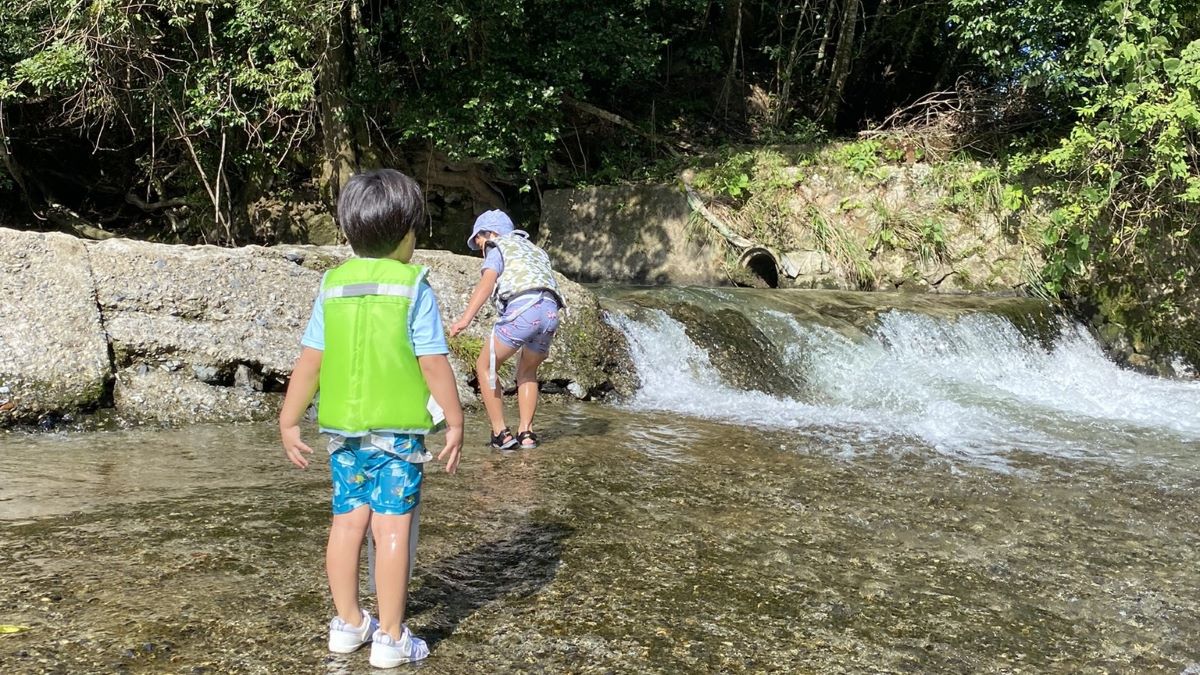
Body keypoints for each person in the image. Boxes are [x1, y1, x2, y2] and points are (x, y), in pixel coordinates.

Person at [278, 169, 463, 669]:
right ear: (407, 233)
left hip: (344, 433)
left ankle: (348, 624)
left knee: (346, 523)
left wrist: (289, 419)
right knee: (393, 529)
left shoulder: (333, 285)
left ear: (349, 231)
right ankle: (390, 637)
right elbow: (431, 361)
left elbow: (310, 359)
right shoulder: (412, 287)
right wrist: (455, 417)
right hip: (397, 436)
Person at [449, 210, 564, 451]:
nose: (480, 248)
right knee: (528, 371)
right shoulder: (534, 249)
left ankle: (501, 433)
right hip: (550, 312)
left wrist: (465, 319)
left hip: (525, 311)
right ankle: (527, 434)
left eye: (478, 241)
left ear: (490, 233)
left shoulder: (496, 246)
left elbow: (487, 282)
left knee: (485, 365)